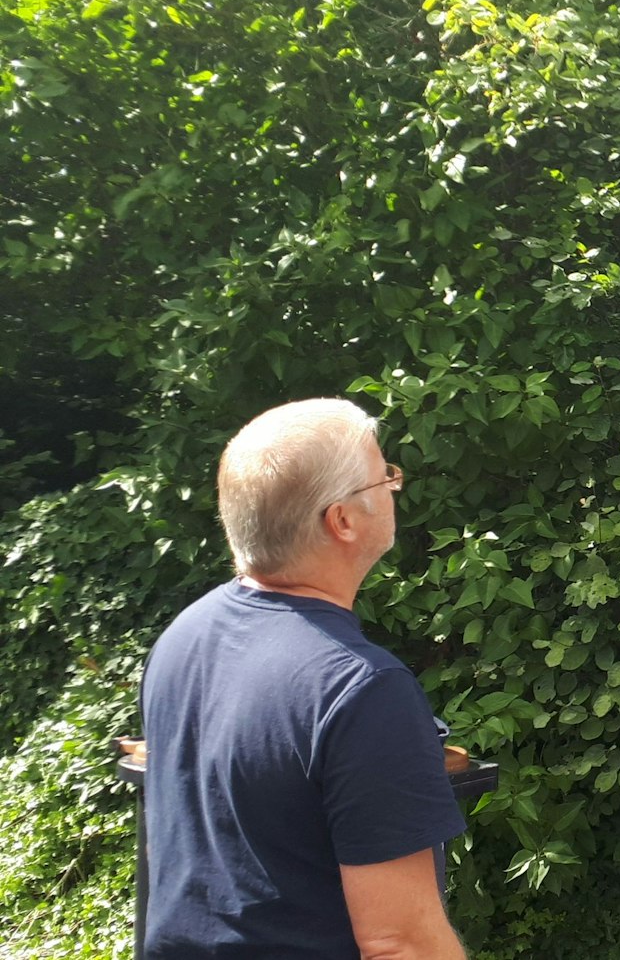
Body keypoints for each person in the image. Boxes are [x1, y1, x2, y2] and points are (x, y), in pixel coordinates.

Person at [140, 398, 467, 959]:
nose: (393, 486)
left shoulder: (182, 637)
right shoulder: (361, 689)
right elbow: (401, 945)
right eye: (384, 477)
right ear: (341, 519)